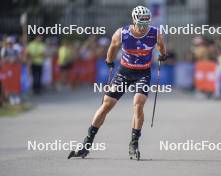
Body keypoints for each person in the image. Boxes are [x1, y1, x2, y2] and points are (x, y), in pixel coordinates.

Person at [68, 5, 167, 160]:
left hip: (143, 73)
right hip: (124, 72)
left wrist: (163, 54)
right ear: (134, 20)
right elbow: (113, 47)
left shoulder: (155, 33)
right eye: (141, 23)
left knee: (138, 103)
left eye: (146, 23)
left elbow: (161, 46)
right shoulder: (122, 33)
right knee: (106, 105)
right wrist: (109, 61)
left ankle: (134, 143)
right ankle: (87, 143)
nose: (143, 27)